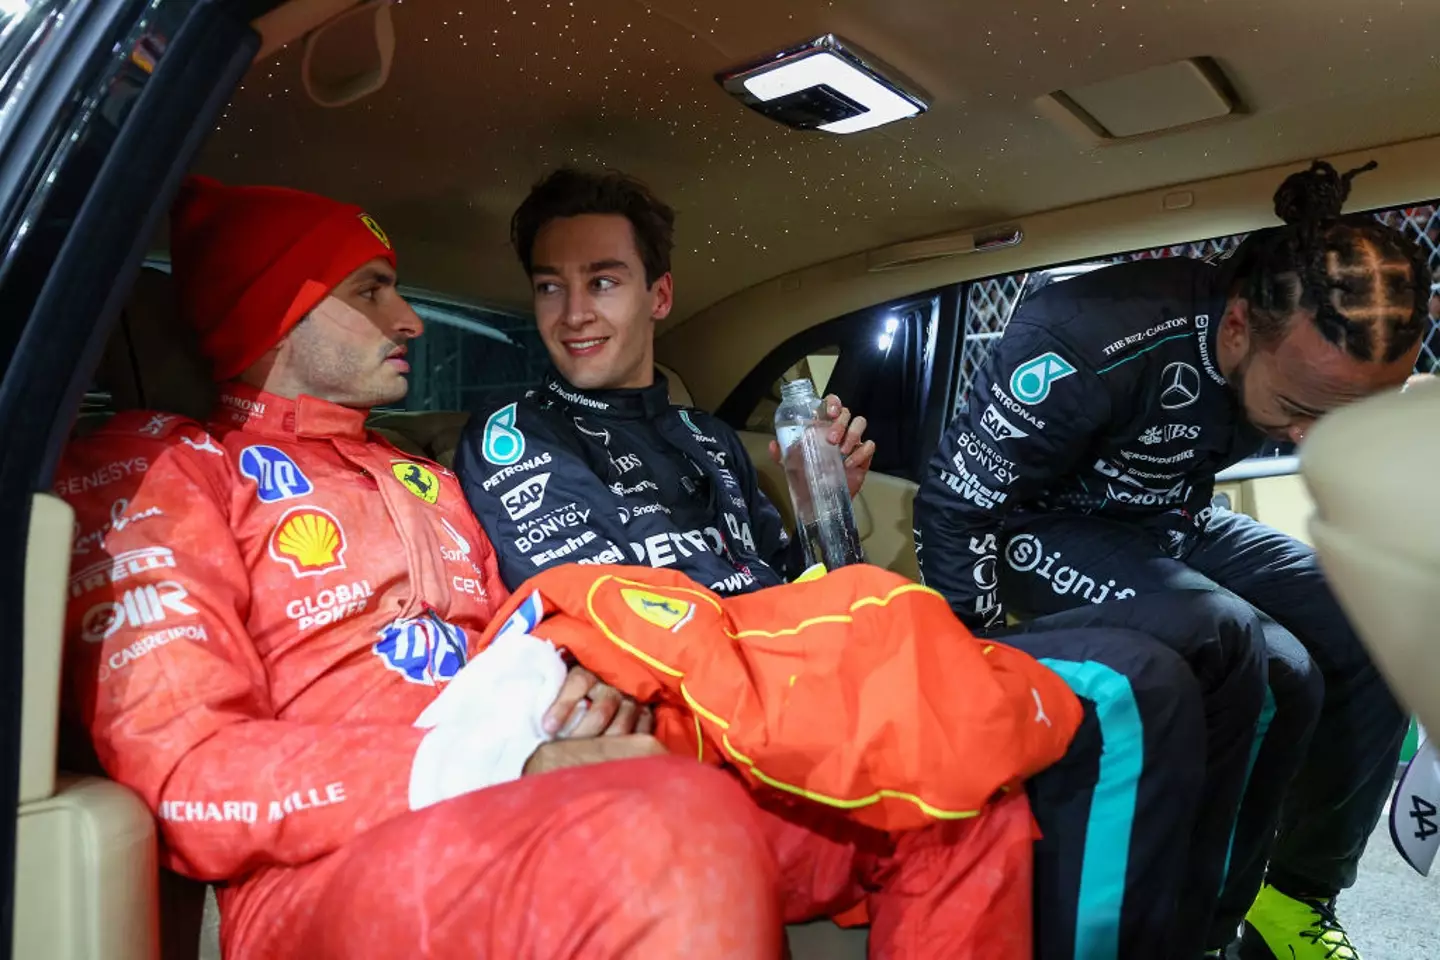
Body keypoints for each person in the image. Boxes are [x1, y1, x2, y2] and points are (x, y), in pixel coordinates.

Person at [58, 175, 1067, 960]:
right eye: (371, 291)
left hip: (541, 788)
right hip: (330, 864)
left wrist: (579, 687)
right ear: (278, 310)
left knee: (950, 807)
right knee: (672, 824)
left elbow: (542, 620)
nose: (411, 320)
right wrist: (502, 758)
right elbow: (187, 774)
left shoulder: (421, 475)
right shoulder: (160, 473)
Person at [455, 167, 1276, 960]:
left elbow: (791, 584)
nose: (573, 313)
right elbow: (617, 615)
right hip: (721, 702)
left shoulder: (708, 439)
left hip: (806, 669)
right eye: (550, 287)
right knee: (1137, 680)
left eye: (602, 282)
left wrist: (829, 509)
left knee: (1135, 689)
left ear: (658, 295)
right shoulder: (516, 434)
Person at [915, 159, 1431, 960]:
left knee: (1372, 618)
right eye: (1299, 409)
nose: (1318, 437)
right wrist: (972, 665)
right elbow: (957, 503)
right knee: (1263, 658)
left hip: (1170, 522)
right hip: (1038, 527)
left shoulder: (1315, 347)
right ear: (1237, 327)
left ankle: (1292, 900)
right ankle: (1194, 932)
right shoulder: (1085, 337)